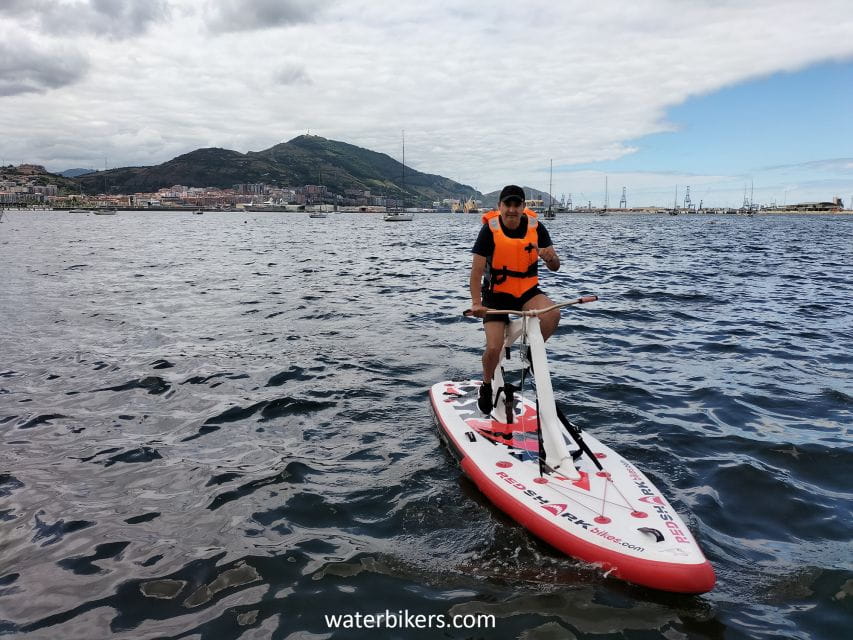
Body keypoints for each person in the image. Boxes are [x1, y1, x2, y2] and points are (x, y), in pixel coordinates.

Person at [469, 185, 561, 414]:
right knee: (494, 347)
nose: (511, 209)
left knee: (553, 314)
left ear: (523, 207)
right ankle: (486, 384)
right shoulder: (489, 231)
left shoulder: (537, 227)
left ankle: (531, 354)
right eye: (507, 204)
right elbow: (476, 271)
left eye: (516, 204)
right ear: (499, 206)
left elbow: (555, 266)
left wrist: (550, 259)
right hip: (496, 295)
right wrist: (476, 303)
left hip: (527, 291)